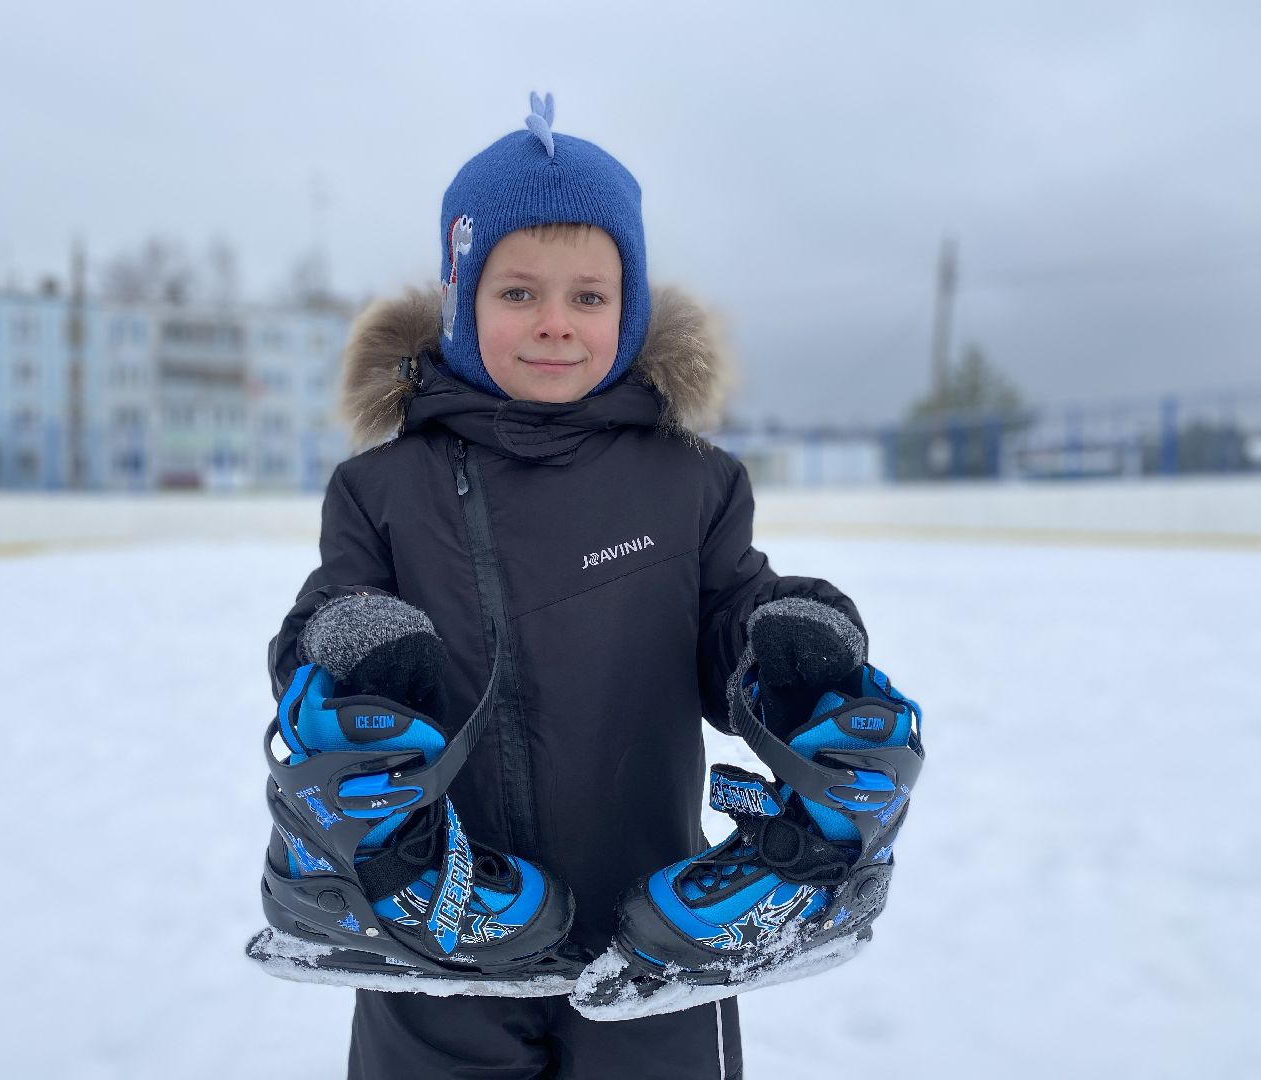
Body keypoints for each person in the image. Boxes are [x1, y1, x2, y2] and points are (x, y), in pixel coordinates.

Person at [266, 94, 871, 1080]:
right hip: (438, 933)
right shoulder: (382, 488)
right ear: (463, 300)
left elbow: (730, 631)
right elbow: (310, 644)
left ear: (627, 308)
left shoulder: (692, 480)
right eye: (519, 294)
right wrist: (345, 645)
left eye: (589, 297)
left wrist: (786, 642)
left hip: (654, 936)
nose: (556, 324)